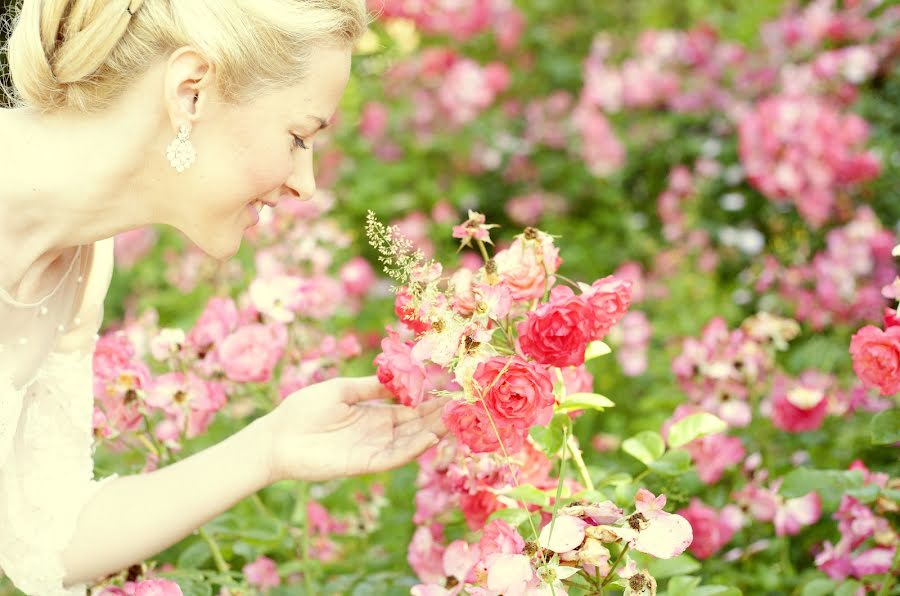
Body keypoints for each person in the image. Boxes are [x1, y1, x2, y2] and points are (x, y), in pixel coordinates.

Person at [0, 1, 447, 593]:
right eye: (298, 136)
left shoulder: (80, 263)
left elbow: (44, 539)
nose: (305, 186)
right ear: (191, 92)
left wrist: (269, 448)